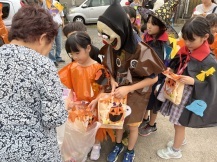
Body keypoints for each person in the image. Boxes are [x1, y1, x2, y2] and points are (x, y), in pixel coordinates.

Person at [97, 0, 165, 161]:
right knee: (119, 122)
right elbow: (108, 67)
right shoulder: (113, 46)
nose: (105, 40)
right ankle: (118, 144)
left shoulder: (141, 49)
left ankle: (130, 150)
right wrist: (113, 80)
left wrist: (128, 89)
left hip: (137, 95)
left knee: (133, 125)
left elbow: (153, 78)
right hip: (119, 90)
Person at [0, 6, 68, 161]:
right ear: (43, 38)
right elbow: (53, 118)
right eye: (50, 45)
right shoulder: (43, 65)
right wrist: (66, 106)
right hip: (36, 151)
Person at [157, 16, 217, 159]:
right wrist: (171, 70)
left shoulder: (209, 60)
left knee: (179, 123)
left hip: (188, 96)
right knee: (178, 122)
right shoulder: (187, 49)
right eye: (185, 38)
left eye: (192, 40)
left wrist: (194, 81)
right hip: (178, 92)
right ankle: (180, 140)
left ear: (205, 37)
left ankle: (175, 150)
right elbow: (178, 63)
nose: (188, 43)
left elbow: (212, 85)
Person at [58, 31, 113, 161]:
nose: (75, 57)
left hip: (94, 104)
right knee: (81, 128)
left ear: (88, 48)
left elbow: (104, 89)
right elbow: (72, 88)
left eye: (77, 53)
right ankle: (84, 145)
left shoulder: (98, 69)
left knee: (95, 128)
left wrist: (96, 101)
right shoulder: (72, 67)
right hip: (79, 104)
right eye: (71, 54)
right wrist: (70, 100)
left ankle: (96, 146)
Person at [138, 0, 179, 136]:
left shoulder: (166, 43)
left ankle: (152, 124)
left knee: (154, 103)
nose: (149, 25)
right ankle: (145, 119)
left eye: (154, 24)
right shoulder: (146, 36)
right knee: (146, 99)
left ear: (161, 27)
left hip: (159, 78)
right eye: (149, 21)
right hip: (146, 75)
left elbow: (168, 62)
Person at [40, 0, 65, 67]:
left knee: (59, 43)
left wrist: (63, 25)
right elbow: (42, 14)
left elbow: (62, 15)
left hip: (58, 26)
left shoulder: (57, 3)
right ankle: (52, 60)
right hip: (50, 26)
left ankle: (58, 57)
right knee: (52, 44)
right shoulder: (44, 3)